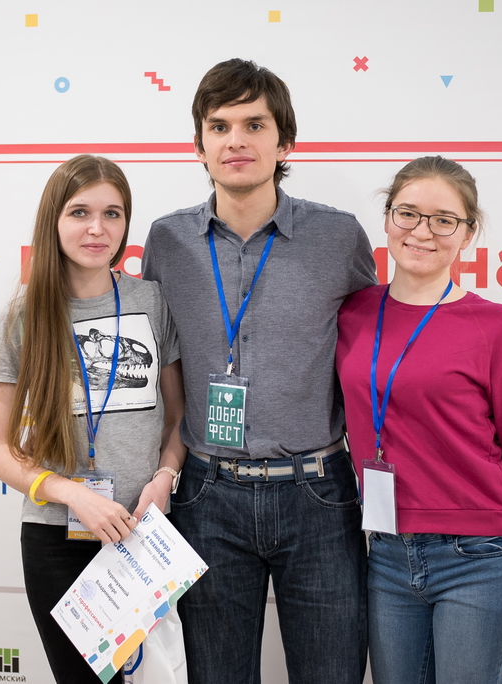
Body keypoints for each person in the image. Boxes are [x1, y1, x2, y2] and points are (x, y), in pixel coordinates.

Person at [141, 58, 377, 684]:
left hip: (318, 494)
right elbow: (158, 366)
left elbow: (375, 350)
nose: (236, 141)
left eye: (254, 125)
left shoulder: (339, 237)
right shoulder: (166, 242)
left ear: (284, 143)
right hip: (205, 494)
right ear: (199, 146)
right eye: (219, 127)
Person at [335, 156, 502, 684]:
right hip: (387, 553)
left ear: (468, 233)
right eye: (408, 214)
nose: (422, 232)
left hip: (480, 558)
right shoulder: (353, 313)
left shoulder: (495, 326)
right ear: (388, 219)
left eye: (443, 220)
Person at [0, 154, 185, 684]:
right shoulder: (24, 314)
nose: (98, 229)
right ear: (53, 220)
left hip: (144, 533)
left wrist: (164, 478)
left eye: (112, 214)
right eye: (80, 213)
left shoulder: (151, 300)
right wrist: (74, 495)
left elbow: (178, 417)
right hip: (56, 539)